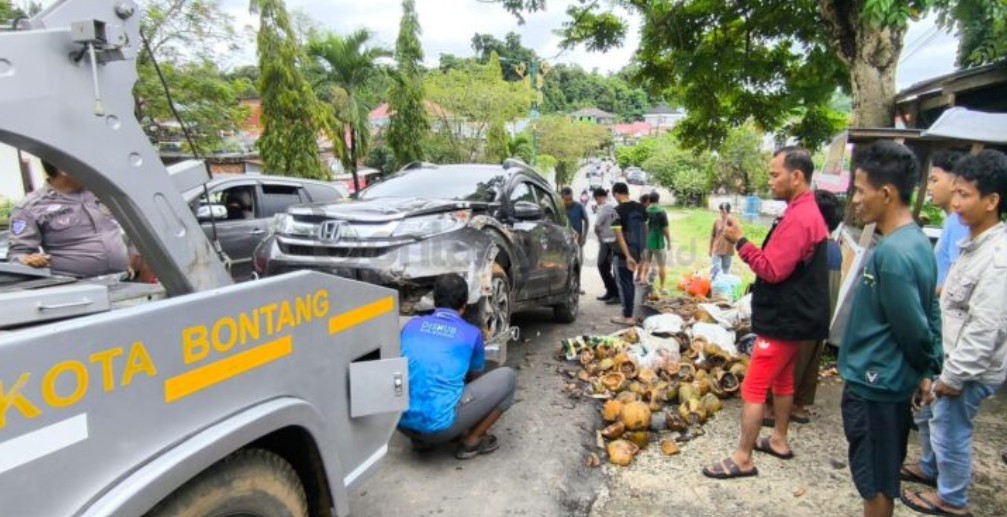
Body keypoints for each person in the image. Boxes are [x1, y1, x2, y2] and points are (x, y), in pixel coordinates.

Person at [702, 147, 830, 480]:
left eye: (775, 174)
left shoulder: (800, 218)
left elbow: (771, 270)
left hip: (784, 318)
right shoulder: (804, 211)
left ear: (796, 176)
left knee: (754, 387)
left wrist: (740, 241)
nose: (770, 181)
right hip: (796, 317)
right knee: (783, 379)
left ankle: (742, 457)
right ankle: (778, 439)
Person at [837, 141, 942, 517]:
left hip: (876, 384)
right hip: (887, 381)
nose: (855, 200)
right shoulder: (917, 241)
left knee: (876, 482)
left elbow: (914, 328)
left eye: (860, 190)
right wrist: (928, 368)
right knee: (879, 471)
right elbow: (931, 309)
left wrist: (927, 365)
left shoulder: (892, 254)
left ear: (886, 193)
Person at [900, 150, 1007, 517]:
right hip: (949, 358)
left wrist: (954, 376)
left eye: (965, 195)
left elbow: (985, 328)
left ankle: (952, 499)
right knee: (933, 417)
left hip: (968, 369)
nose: (956, 203)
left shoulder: (997, 258)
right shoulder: (972, 245)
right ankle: (930, 469)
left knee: (951, 429)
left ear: (992, 201)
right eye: (956, 192)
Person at [398, 274, 518, 460]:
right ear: (464, 304)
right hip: (440, 429)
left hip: (401, 425)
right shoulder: (472, 334)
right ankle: (472, 441)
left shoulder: (411, 325)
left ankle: (421, 440)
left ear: (434, 300)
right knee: (508, 377)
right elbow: (474, 380)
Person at [765, 190, 844, 426]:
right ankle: (798, 404)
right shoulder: (835, 249)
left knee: (793, 357)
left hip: (806, 311)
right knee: (811, 355)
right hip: (823, 314)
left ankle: (773, 407)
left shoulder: (815, 246)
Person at [8, 161, 130, 278]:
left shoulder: (105, 193)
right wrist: (28, 260)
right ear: (63, 169)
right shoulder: (30, 207)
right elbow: (18, 254)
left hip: (124, 280)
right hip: (76, 286)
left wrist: (135, 257)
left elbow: (135, 223)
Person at [926, 150, 968, 294]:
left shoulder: (959, 222)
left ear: (954, 184)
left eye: (934, 180)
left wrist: (925, 295)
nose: (929, 187)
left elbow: (958, 281)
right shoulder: (952, 220)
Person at [609, 182, 647, 325]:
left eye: (614, 196)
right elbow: (645, 230)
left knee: (624, 283)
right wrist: (642, 252)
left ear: (616, 194)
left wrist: (628, 256)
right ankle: (628, 313)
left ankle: (627, 316)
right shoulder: (641, 208)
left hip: (624, 253)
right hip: (637, 250)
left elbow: (619, 236)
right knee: (629, 283)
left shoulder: (616, 211)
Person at [593, 188, 620, 304]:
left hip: (607, 240)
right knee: (607, 267)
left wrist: (599, 237)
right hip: (613, 239)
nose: (596, 202)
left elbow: (597, 226)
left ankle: (615, 293)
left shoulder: (604, 207)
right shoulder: (612, 205)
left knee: (602, 265)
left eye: (596, 199)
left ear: (599, 197)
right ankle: (610, 292)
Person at [640, 192, 670, 291]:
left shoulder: (644, 211)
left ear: (649, 200)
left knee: (646, 262)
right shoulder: (662, 212)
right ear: (658, 200)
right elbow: (665, 229)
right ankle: (662, 287)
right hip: (658, 242)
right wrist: (669, 241)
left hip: (646, 241)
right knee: (662, 265)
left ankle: (643, 279)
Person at [709, 203, 736, 277]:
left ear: (728, 212)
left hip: (728, 251)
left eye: (723, 212)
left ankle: (723, 283)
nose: (721, 214)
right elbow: (712, 236)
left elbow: (736, 237)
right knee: (715, 270)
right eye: (720, 212)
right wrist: (710, 249)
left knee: (725, 272)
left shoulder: (733, 222)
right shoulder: (717, 221)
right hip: (717, 249)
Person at [561, 186, 588, 255]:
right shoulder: (559, 208)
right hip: (563, 239)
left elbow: (586, 221)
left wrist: (584, 237)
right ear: (562, 198)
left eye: (570, 199)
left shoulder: (579, 206)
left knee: (577, 256)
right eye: (566, 200)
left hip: (577, 239)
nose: (569, 202)